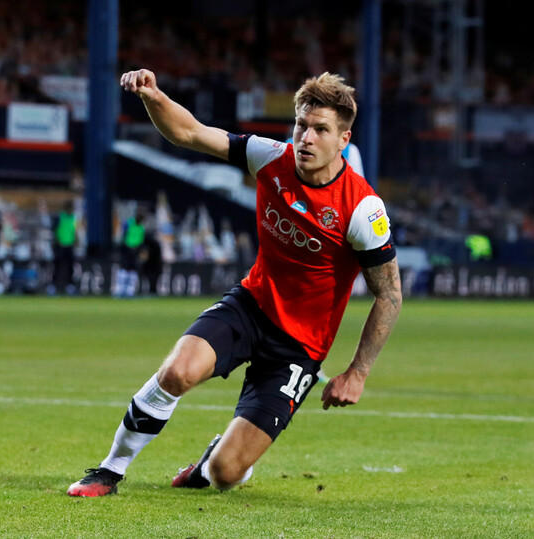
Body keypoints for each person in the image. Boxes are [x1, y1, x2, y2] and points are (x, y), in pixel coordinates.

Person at [67, 69, 402, 497]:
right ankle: (109, 471)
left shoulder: (361, 209)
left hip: (299, 347)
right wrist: (153, 96)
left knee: (226, 474)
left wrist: (357, 372)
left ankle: (212, 461)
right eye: (302, 125)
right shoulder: (269, 156)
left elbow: (389, 294)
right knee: (176, 372)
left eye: (321, 130)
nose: (307, 138)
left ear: (344, 140)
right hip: (250, 306)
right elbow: (189, 132)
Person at [50, 200, 77, 294]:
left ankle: (70, 286)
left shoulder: (73, 218)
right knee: (57, 266)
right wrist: (57, 241)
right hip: (60, 246)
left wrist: (75, 241)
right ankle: (53, 286)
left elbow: (74, 231)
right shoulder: (60, 217)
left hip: (69, 246)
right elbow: (54, 230)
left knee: (70, 267)